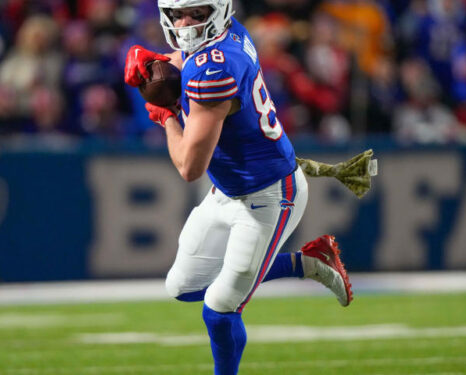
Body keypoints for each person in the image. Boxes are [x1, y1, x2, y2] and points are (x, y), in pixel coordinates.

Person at [123, 1, 353, 374]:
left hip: (269, 193)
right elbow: (190, 57)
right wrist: (156, 63)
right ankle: (307, 262)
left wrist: (166, 116)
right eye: (178, 14)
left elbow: (188, 166)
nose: (186, 24)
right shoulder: (231, 34)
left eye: (197, 14)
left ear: (218, 11)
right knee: (181, 287)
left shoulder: (215, 70)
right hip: (227, 190)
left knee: (220, 307)